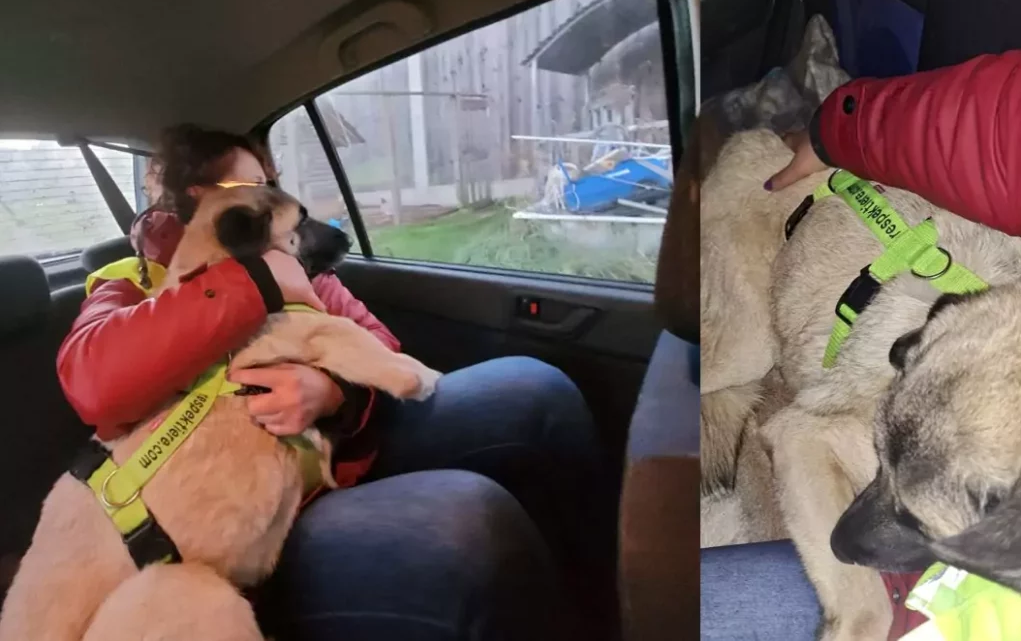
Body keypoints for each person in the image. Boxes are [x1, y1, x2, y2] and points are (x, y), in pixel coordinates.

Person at [58, 124, 616, 640]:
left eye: (271, 184)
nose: (274, 199)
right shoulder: (129, 283)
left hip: (343, 449)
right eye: (251, 186)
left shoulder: (297, 261)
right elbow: (93, 385)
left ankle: (613, 600)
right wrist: (252, 280)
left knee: (537, 389)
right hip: (249, 521)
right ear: (201, 197)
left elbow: (381, 344)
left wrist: (333, 392)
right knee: (467, 526)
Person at [705, 51, 1021, 640]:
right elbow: (800, 437)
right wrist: (860, 616)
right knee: (732, 360)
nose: (854, 541)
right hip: (768, 200)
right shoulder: (949, 400)